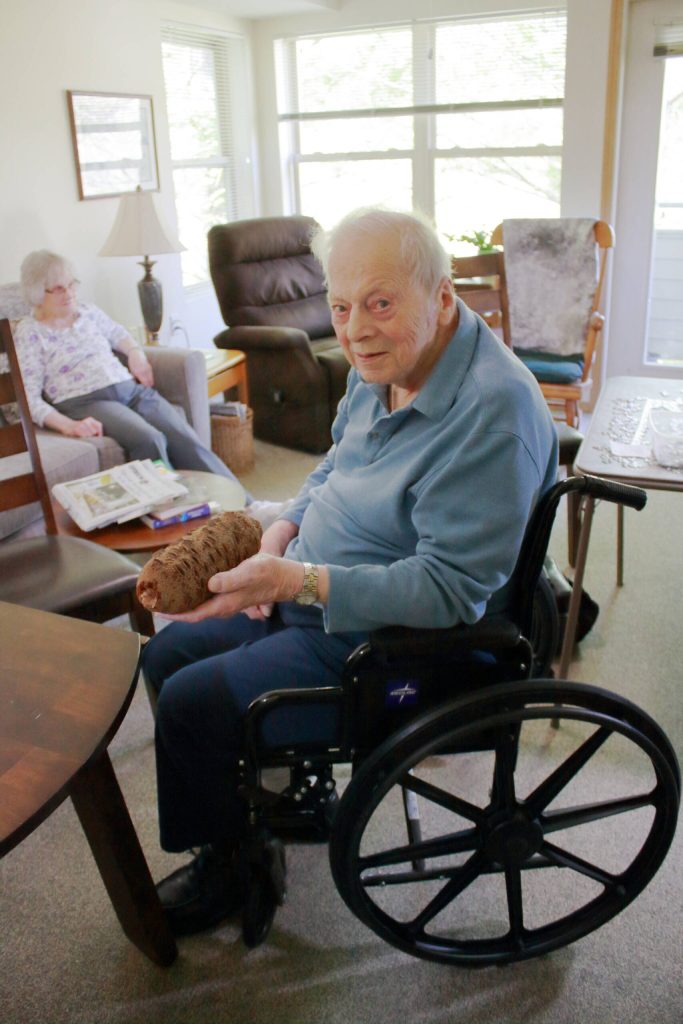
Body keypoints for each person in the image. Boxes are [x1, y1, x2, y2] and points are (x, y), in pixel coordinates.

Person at [142, 207, 559, 937]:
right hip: (315, 583)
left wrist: (292, 583)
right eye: (340, 306)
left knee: (191, 701)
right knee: (166, 652)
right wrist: (279, 533)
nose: (355, 328)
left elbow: (448, 591)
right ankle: (245, 817)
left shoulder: (490, 415)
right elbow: (335, 467)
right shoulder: (387, 364)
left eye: (379, 302)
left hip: (391, 642)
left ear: (441, 297)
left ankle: (235, 870)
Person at [14, 249, 242, 484]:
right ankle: (179, 511)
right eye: (59, 288)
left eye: (71, 284)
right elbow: (28, 399)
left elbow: (118, 334)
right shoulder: (30, 332)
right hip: (87, 401)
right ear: (38, 293)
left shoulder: (88, 311)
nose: (69, 293)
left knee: (182, 435)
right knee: (149, 439)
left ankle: (247, 505)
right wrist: (69, 426)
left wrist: (135, 354)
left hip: (130, 390)